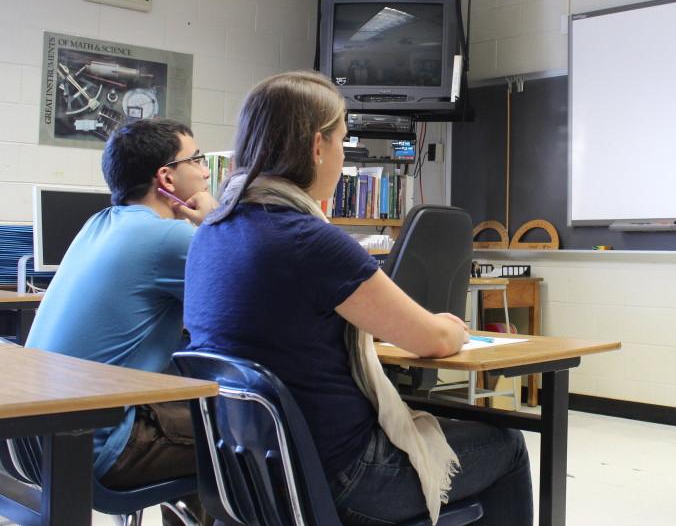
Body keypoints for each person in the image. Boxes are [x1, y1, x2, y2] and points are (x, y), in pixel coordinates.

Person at [184, 71, 532, 526]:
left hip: (248, 471)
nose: (341, 157)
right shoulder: (309, 240)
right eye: (343, 142)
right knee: (506, 444)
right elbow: (431, 340)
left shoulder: (211, 233)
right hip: (337, 477)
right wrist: (451, 326)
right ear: (316, 147)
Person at [26, 117, 218, 524]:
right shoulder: (169, 239)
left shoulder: (98, 224)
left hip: (35, 441)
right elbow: (256, 297)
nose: (205, 171)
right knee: (260, 438)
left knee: (207, 412)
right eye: (198, 159)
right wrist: (215, 223)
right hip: (100, 445)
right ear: (166, 177)